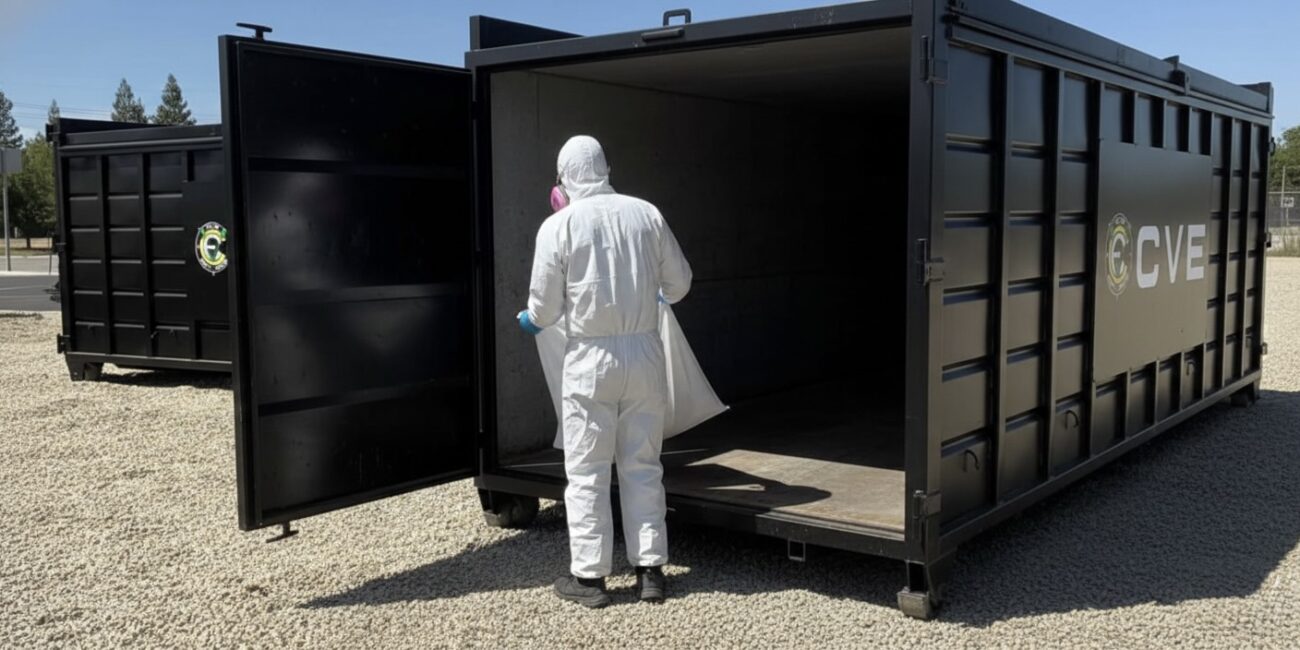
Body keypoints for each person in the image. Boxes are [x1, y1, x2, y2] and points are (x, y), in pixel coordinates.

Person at [517, 135, 692, 608]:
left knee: (587, 470)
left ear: (562, 181)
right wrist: (653, 297)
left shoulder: (558, 226)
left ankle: (590, 579)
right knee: (643, 464)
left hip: (590, 362)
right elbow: (680, 283)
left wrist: (531, 319)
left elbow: (545, 309)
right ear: (607, 168)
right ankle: (650, 572)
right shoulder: (646, 213)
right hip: (644, 353)